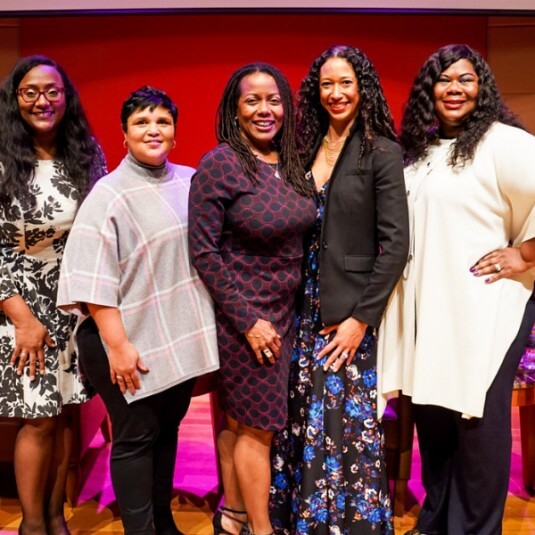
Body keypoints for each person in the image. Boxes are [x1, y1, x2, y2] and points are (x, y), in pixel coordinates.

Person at [378, 44, 535, 535]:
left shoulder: (504, 142)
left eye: (465, 79)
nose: (454, 88)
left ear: (481, 87)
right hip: (430, 305)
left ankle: (474, 527)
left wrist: (526, 255)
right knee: (433, 414)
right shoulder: (419, 150)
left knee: (476, 419)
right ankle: (439, 518)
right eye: (444, 80)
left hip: (486, 303)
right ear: (430, 90)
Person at [57, 86, 219, 535]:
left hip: (172, 337)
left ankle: (163, 523)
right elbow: (91, 279)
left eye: (162, 121)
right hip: (121, 340)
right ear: (124, 135)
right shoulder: (108, 194)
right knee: (135, 439)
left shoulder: (190, 181)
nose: (153, 129)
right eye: (142, 122)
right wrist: (119, 346)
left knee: (167, 432)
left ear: (175, 132)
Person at [270, 45, 410, 534]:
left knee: (345, 426)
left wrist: (360, 320)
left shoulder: (382, 153)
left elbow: (395, 247)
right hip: (299, 305)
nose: (335, 93)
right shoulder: (304, 149)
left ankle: (352, 525)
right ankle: (306, 519)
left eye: (345, 83)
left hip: (347, 312)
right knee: (303, 417)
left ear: (362, 88)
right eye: (327, 84)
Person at [188, 63, 316, 535]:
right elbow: (202, 252)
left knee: (245, 423)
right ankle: (262, 530)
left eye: (274, 99)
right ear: (234, 109)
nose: (265, 110)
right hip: (246, 319)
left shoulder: (295, 162)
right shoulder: (221, 163)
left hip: (288, 315)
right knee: (257, 427)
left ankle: (235, 516)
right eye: (252, 100)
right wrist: (247, 320)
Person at [0, 55, 105, 535]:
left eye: (52, 91)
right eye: (31, 92)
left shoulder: (86, 153)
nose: (43, 100)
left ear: (66, 97)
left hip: (72, 301)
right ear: (16, 100)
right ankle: (32, 524)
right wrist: (22, 318)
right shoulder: (2, 157)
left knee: (65, 416)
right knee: (37, 419)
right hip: (20, 304)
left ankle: (57, 518)